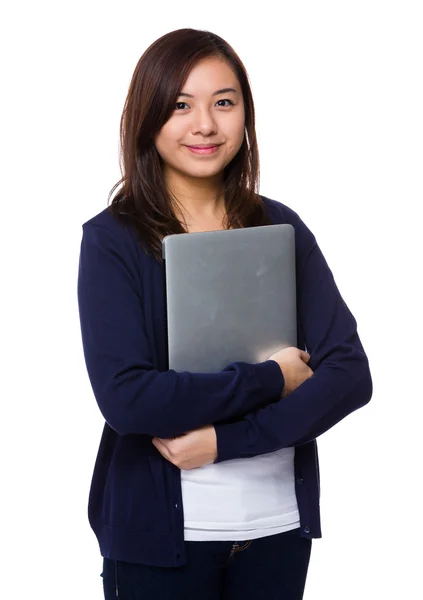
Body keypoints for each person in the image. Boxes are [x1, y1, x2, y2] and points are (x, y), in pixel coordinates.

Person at [77, 28, 373, 600]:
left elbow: (350, 374)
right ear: (148, 117)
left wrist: (227, 440)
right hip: (160, 546)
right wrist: (273, 378)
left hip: (278, 532)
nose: (205, 125)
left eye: (224, 102)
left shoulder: (279, 228)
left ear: (245, 114)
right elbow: (127, 398)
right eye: (181, 105)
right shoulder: (113, 239)